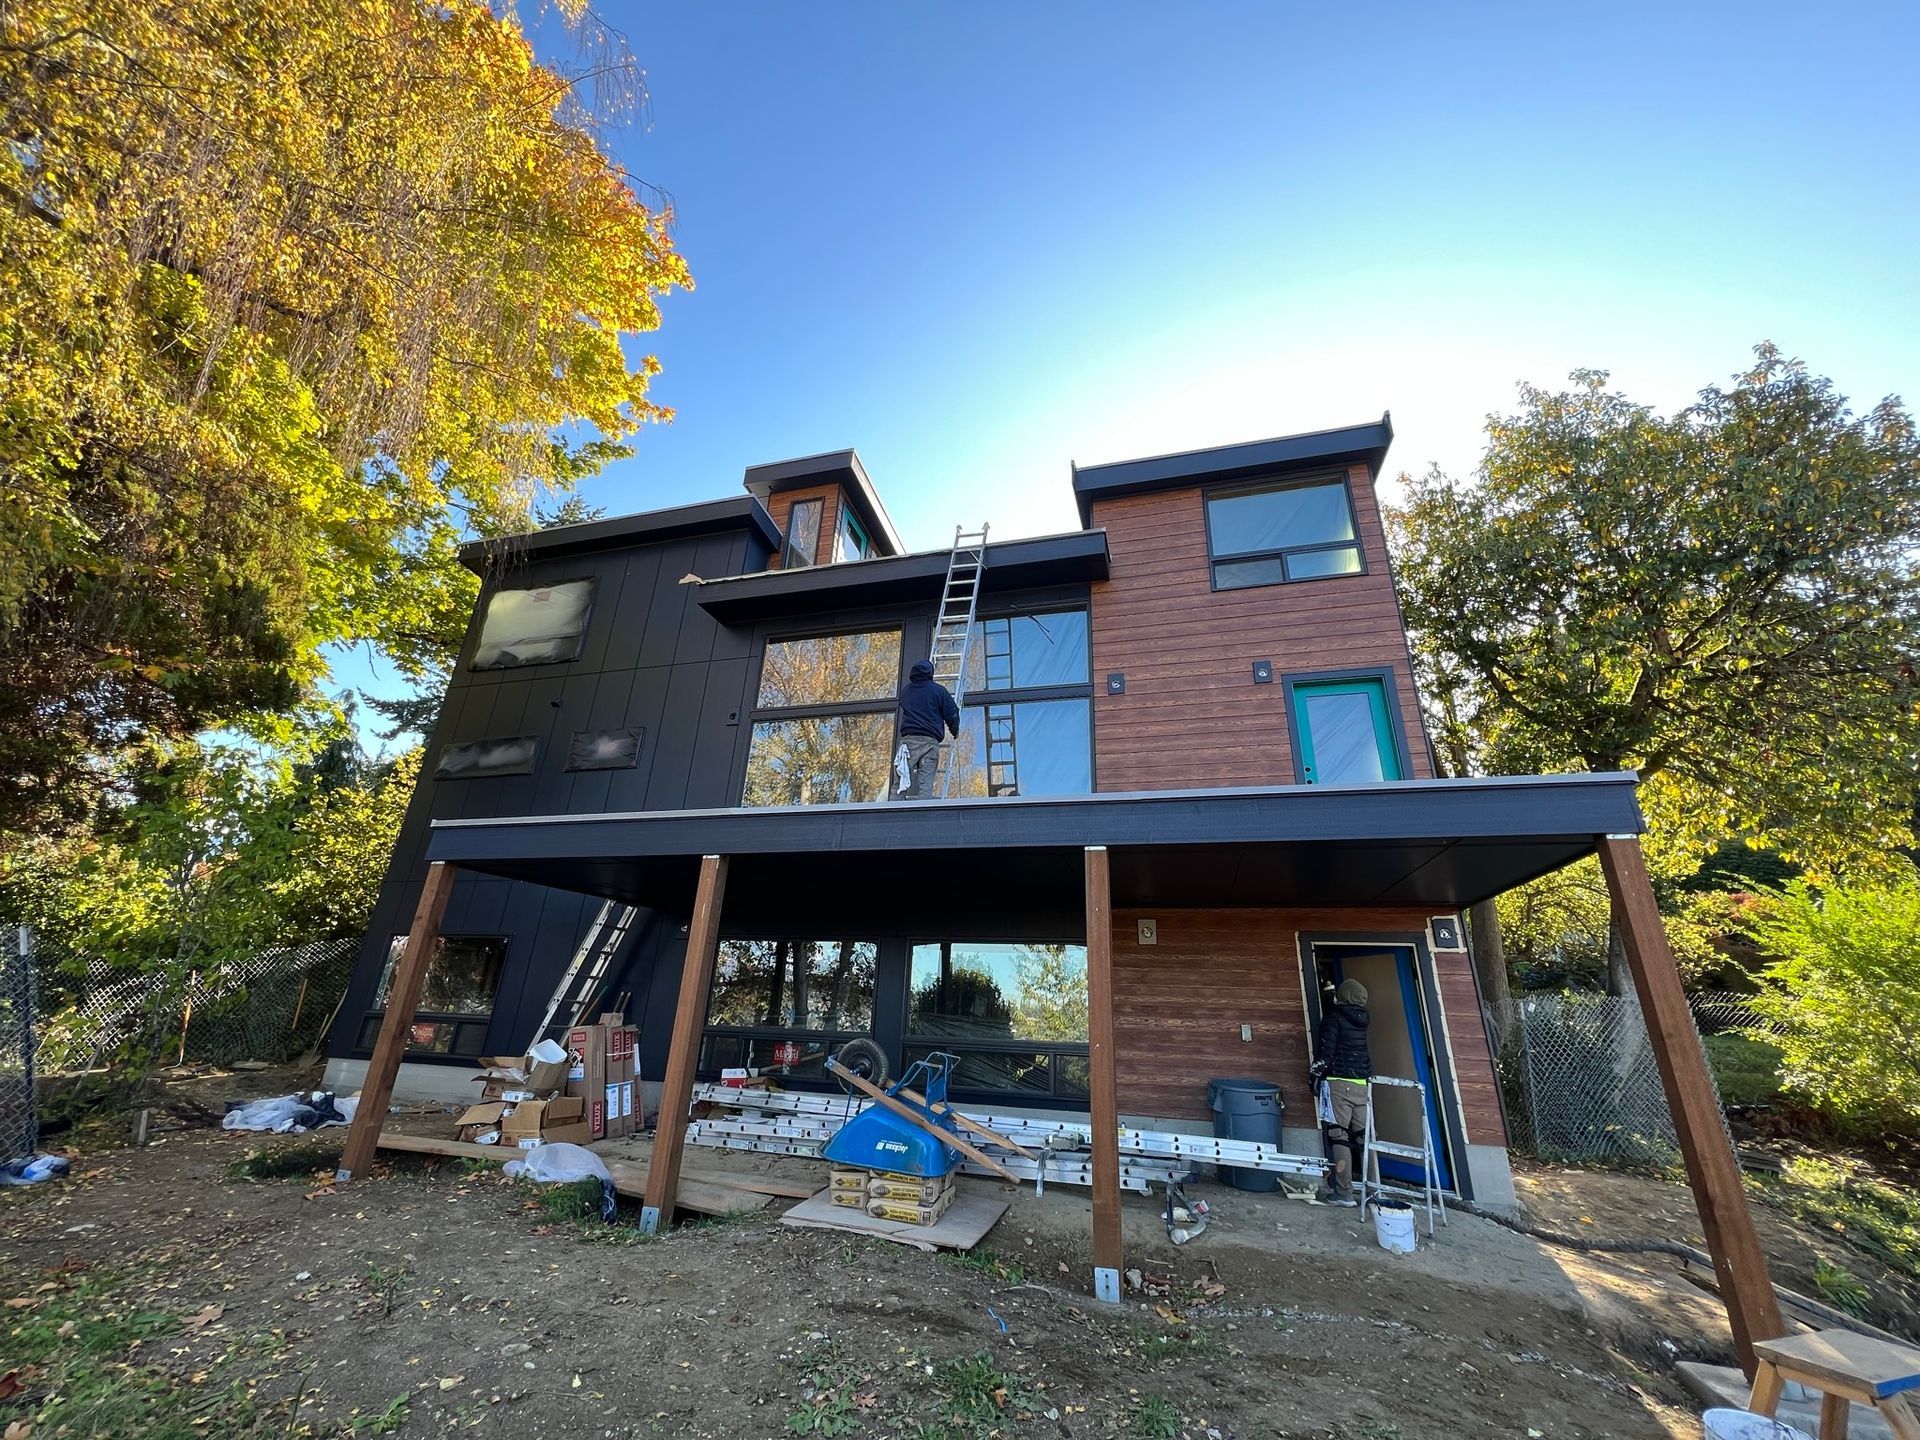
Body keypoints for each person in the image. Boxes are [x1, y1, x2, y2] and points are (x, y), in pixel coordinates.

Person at [1311, 977, 1371, 1207]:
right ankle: (1374, 1190)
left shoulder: (1334, 1017)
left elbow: (1327, 1050)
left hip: (1338, 1082)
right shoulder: (1363, 1018)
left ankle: (1344, 1192)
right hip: (1361, 1082)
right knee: (1364, 1137)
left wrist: (1315, 1075)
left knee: (1339, 1135)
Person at [893, 659, 959, 799]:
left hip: (908, 743)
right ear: (930, 673)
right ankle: (924, 817)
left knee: (899, 783)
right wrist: (955, 730)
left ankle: (891, 814)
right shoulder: (938, 690)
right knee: (925, 786)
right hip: (929, 743)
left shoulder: (905, 691)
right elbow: (951, 712)